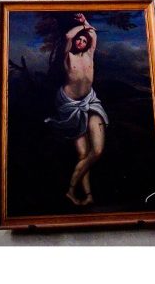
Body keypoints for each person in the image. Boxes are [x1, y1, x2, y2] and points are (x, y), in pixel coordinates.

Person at [45, 12, 108, 206]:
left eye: (84, 40)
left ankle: (71, 190)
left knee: (96, 151)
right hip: (69, 105)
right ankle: (87, 196)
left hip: (90, 101)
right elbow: (68, 36)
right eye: (79, 40)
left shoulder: (90, 55)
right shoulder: (68, 56)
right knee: (82, 154)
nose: (81, 42)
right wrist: (83, 27)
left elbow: (93, 35)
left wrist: (86, 23)